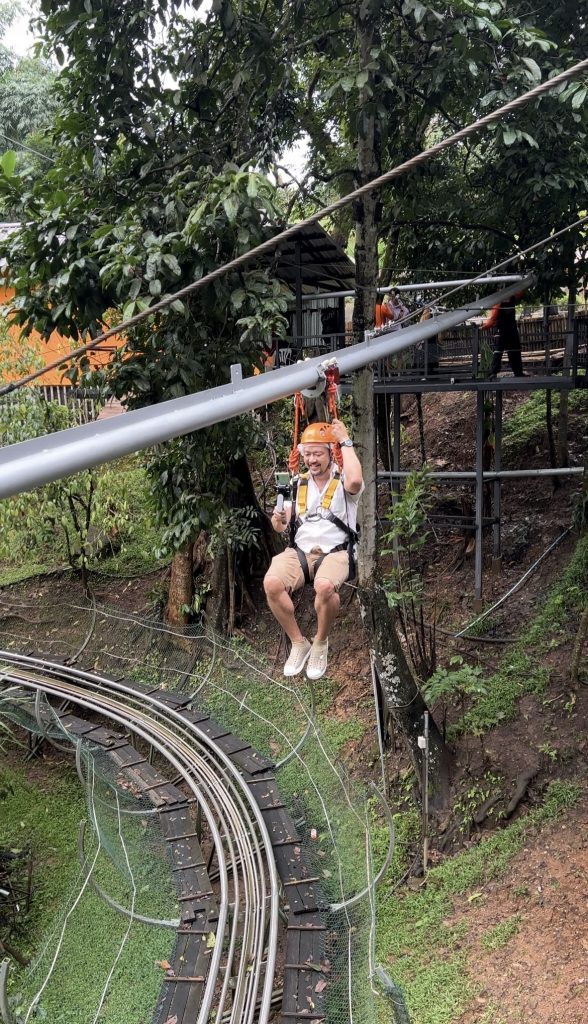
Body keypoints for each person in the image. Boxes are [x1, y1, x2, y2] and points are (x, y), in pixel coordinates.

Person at [263, 419, 364, 680]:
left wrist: (346, 441)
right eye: (307, 454)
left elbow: (356, 479)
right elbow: (279, 525)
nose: (311, 460)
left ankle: (320, 642)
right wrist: (278, 519)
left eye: (317, 453)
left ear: (331, 453)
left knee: (324, 587)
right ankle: (299, 643)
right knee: (272, 583)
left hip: (336, 551)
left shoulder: (343, 481)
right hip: (300, 550)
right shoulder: (298, 484)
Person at [481, 296, 524, 378]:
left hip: (511, 328)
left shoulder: (512, 297)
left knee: (514, 350)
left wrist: (485, 326)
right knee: (498, 351)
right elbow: (493, 317)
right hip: (501, 328)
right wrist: (486, 326)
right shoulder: (498, 301)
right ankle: (494, 372)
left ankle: (518, 372)